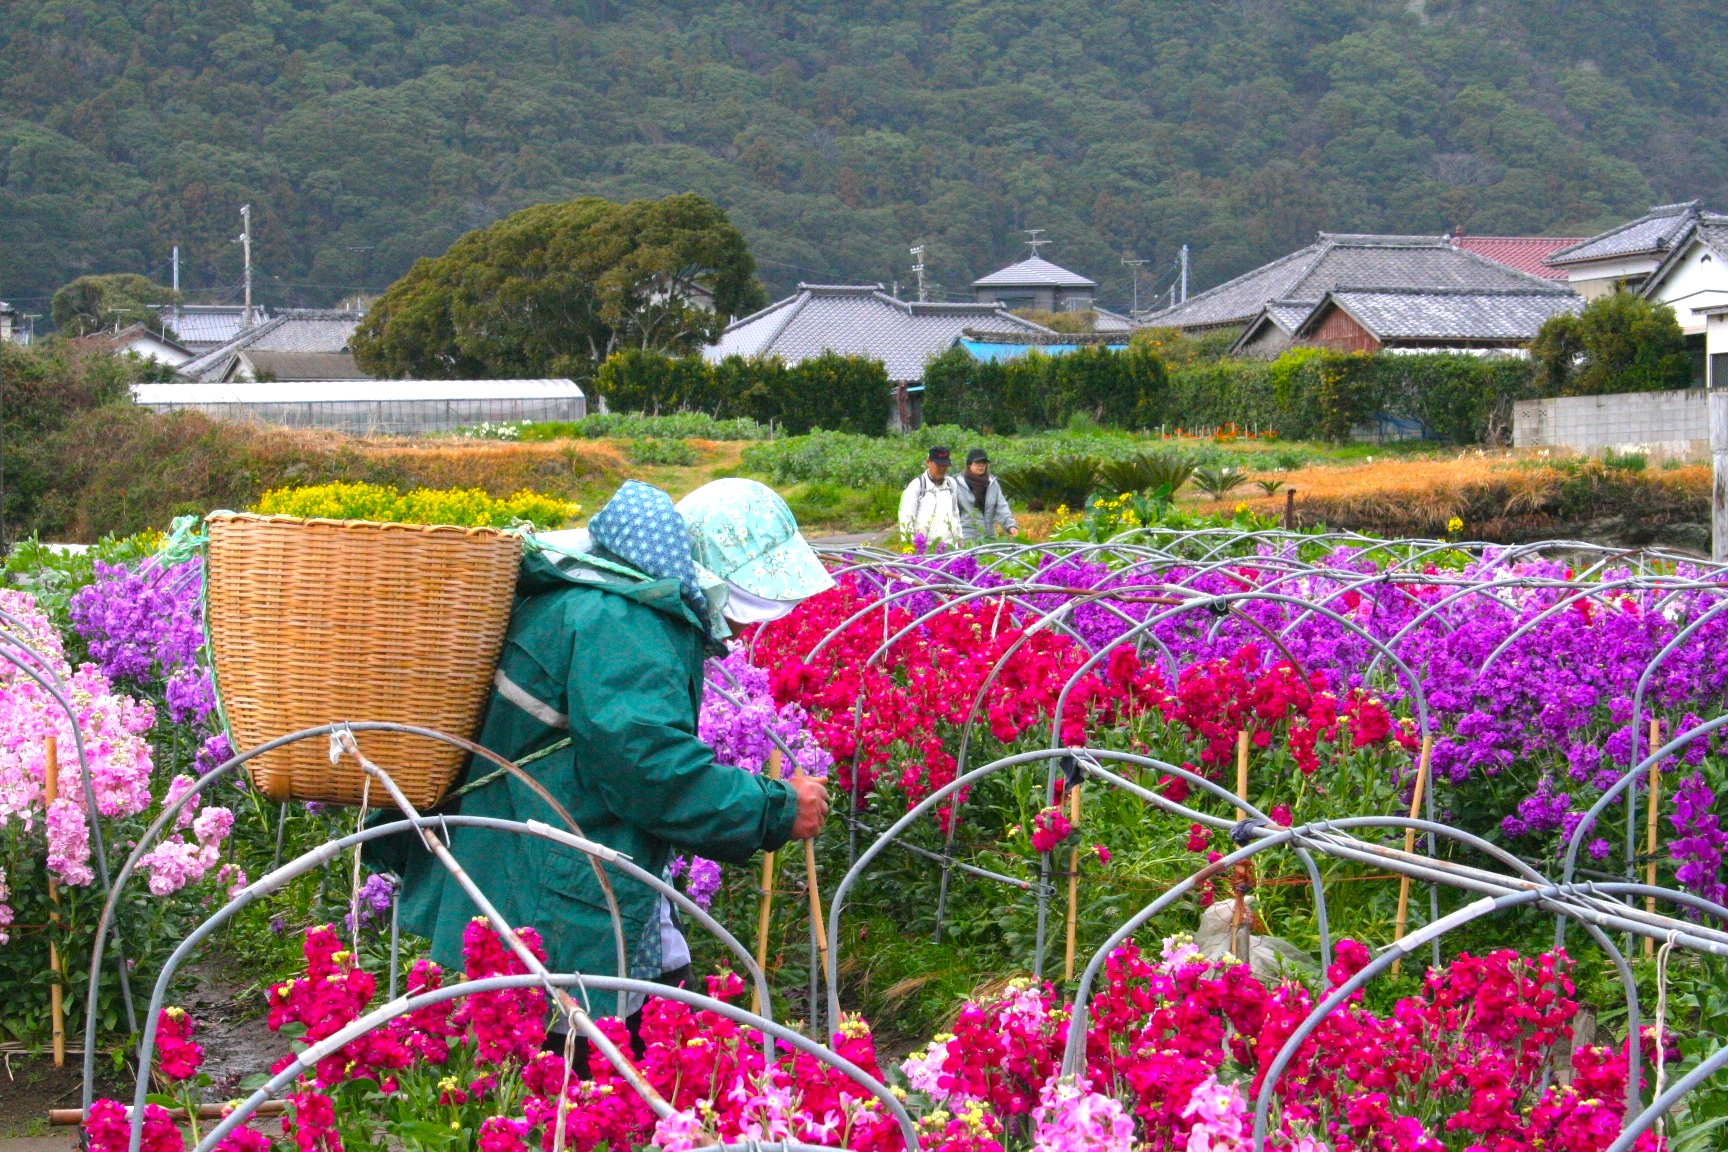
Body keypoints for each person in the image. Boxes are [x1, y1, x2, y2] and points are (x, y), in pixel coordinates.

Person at [370, 477, 834, 1062]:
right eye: (746, 607)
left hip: (528, 852)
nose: (742, 631)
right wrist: (774, 807)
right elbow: (646, 767)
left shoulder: (598, 592)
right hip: (547, 877)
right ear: (714, 574)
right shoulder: (623, 621)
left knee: (561, 1046)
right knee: (570, 1066)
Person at [897, 445, 965, 547]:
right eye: (938, 465)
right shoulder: (917, 486)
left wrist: (959, 539)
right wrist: (909, 546)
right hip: (924, 549)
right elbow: (906, 518)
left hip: (949, 546)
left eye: (945, 465)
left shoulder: (951, 484)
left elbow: (955, 513)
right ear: (928, 462)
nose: (942, 469)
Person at [954, 449, 1017, 541]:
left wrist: (1011, 525)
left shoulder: (992, 483)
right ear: (969, 464)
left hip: (988, 536)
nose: (981, 465)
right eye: (977, 462)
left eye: (984, 462)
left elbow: (1001, 507)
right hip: (965, 537)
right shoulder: (957, 483)